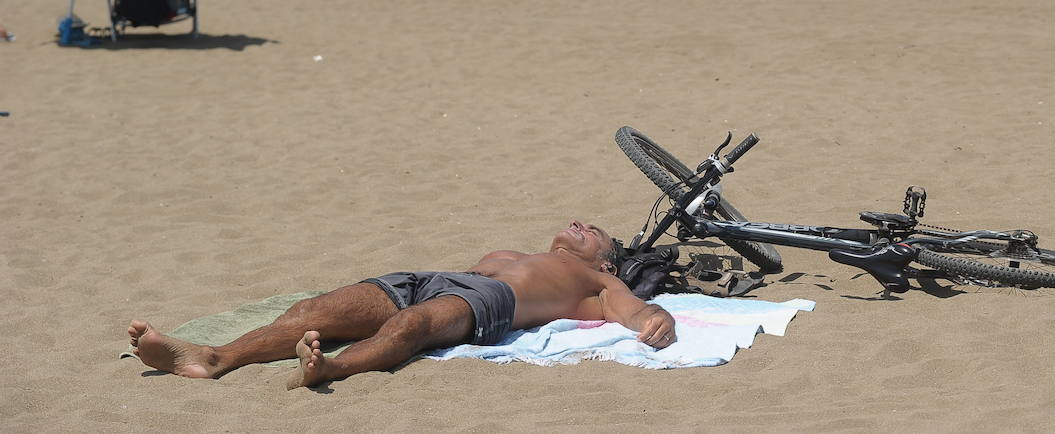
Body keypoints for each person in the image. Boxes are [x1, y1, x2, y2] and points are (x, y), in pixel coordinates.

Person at [127, 219, 675, 389]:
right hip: (433, 277)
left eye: (594, 230)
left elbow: (635, 312)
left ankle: (332, 366)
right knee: (315, 310)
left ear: (606, 260)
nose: (580, 225)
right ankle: (213, 358)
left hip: (491, 301)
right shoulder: (514, 251)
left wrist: (657, 321)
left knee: (413, 325)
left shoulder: (593, 281)